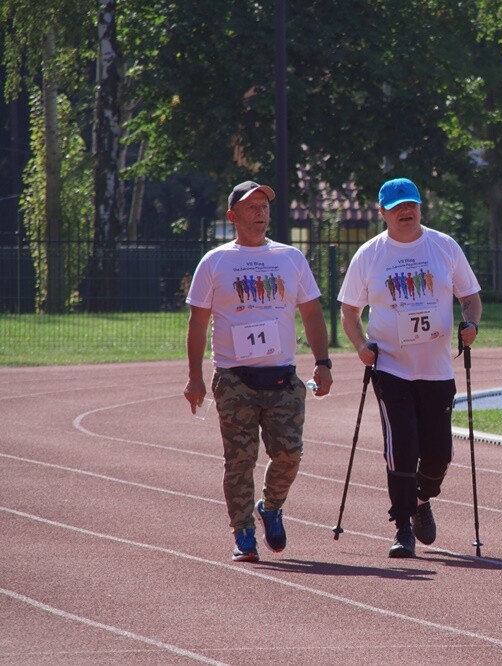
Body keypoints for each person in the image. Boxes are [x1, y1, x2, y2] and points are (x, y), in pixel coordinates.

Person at [184, 180, 333, 562]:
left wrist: (323, 362)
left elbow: (312, 313)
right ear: (233, 216)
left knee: (289, 455)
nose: (260, 211)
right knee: (240, 460)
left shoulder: (291, 258)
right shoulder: (215, 262)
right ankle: (243, 532)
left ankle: (270, 506)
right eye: (251, 205)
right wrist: (195, 377)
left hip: (282, 376)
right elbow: (198, 323)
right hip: (234, 378)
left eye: (265, 204)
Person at [338, 177, 482, 558]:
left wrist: (471, 325)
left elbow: (470, 297)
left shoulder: (444, 246)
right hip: (391, 368)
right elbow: (350, 312)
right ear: (382, 212)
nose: (406, 211)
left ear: (420, 207)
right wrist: (361, 346)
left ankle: (421, 499)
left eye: (411, 204)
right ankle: (402, 527)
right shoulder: (370, 254)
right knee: (402, 447)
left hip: (437, 370)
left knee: (438, 455)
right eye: (397, 206)